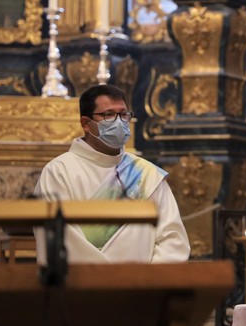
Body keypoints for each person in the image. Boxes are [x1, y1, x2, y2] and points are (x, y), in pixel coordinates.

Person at [34, 84, 190, 263]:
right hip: (83, 286)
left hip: (143, 286)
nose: (119, 122)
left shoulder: (146, 174)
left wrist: (147, 281)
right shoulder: (59, 172)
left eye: (123, 114)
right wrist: (108, 279)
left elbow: (172, 238)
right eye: (108, 115)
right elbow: (58, 237)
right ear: (86, 124)